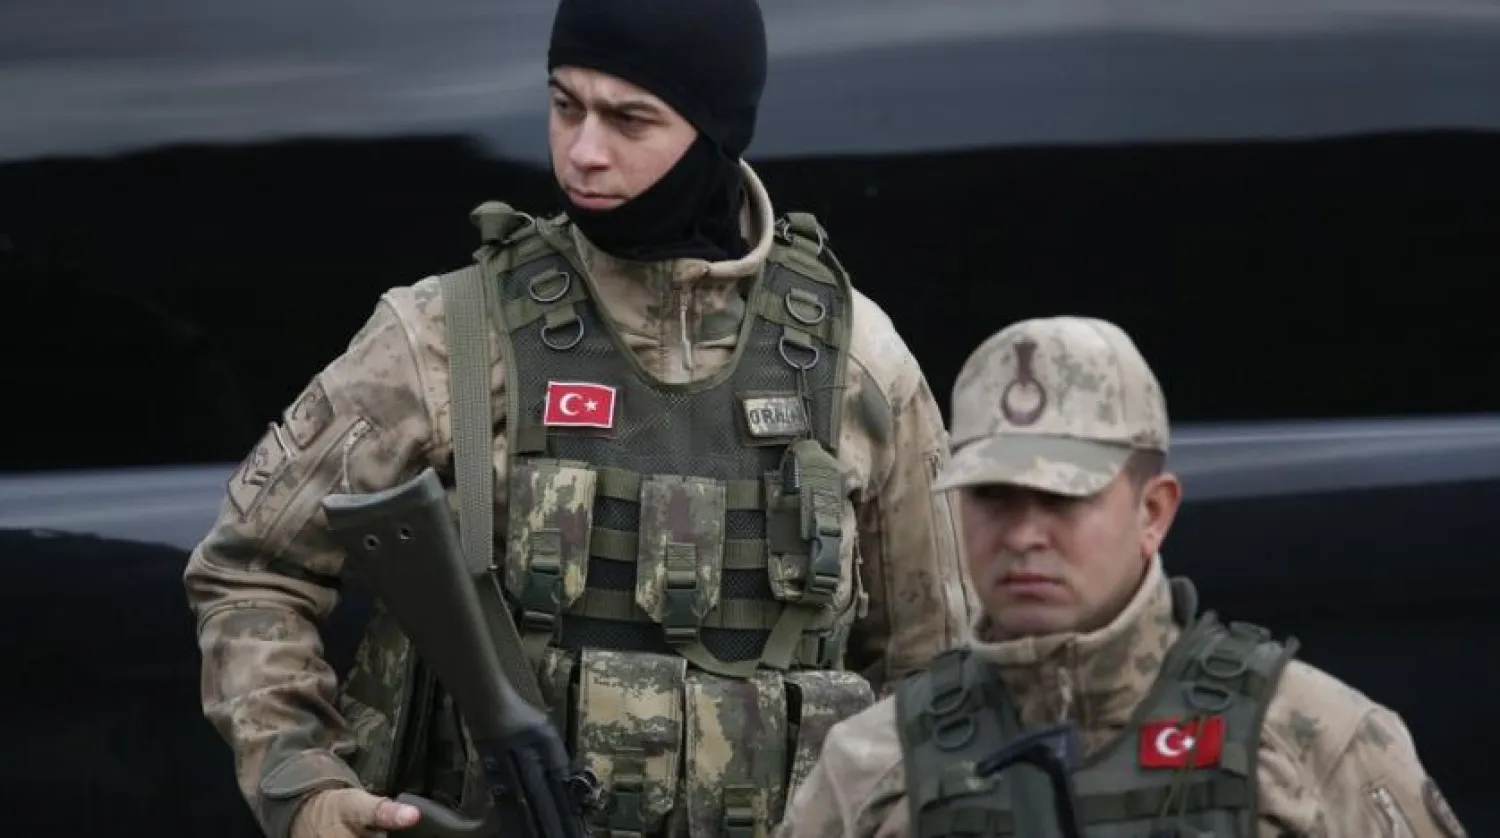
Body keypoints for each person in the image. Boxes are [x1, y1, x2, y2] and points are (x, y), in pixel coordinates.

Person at [182, 1, 977, 837]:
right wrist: (303, 784)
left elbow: (939, 670)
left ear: (715, 128)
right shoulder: (451, 334)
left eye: (631, 118)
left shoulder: (856, 362)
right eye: (566, 106)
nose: (584, 151)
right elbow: (249, 568)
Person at [772, 315, 1469, 838]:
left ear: (1154, 511)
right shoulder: (876, 761)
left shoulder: (1312, 738)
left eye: (1064, 499)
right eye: (993, 497)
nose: (1023, 535)